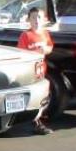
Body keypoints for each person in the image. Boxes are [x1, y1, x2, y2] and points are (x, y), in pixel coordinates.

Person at [17, 7, 54, 135]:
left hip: (41, 71)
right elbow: (21, 53)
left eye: (39, 17)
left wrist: (45, 49)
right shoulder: (26, 35)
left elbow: (50, 47)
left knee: (44, 97)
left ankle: (39, 119)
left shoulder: (45, 34)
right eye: (33, 17)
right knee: (33, 96)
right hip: (30, 72)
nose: (36, 20)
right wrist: (35, 51)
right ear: (29, 19)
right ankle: (36, 123)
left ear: (43, 19)